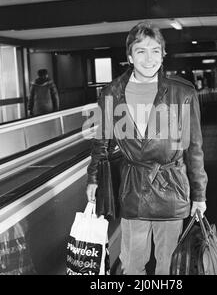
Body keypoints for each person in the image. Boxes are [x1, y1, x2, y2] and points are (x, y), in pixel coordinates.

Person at [86, 21, 207, 275]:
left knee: (169, 266)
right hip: (134, 188)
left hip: (172, 187)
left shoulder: (182, 92)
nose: (149, 58)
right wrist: (93, 178)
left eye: (155, 50)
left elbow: (194, 148)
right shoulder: (111, 94)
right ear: (130, 56)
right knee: (131, 265)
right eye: (141, 51)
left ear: (163, 55)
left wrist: (200, 194)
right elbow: (101, 141)